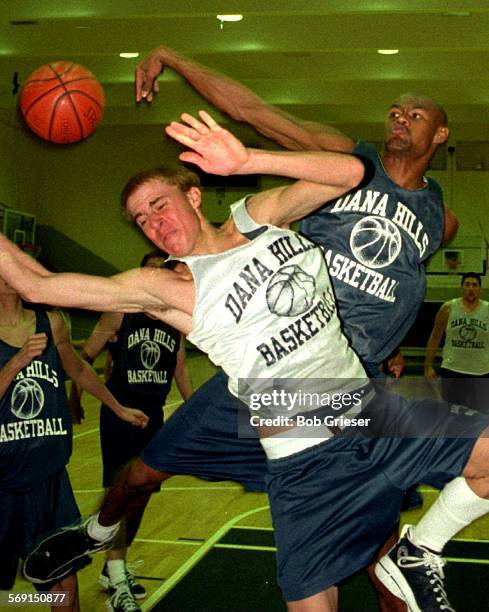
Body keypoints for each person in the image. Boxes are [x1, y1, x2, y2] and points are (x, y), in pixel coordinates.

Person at [1, 113, 488, 612]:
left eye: (158, 206)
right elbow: (38, 285)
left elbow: (353, 173)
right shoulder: (164, 288)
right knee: (145, 474)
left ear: (193, 196)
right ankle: (99, 532)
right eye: (141, 220)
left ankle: (419, 550)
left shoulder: (255, 218)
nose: (153, 223)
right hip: (303, 461)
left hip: (369, 414)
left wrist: (248, 160)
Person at [133, 47, 459, 610]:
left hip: (361, 383)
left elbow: (401, 278)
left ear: (440, 134)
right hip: (280, 366)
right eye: (394, 111)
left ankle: (393, 575)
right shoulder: (348, 158)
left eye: (415, 115)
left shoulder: (438, 214)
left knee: (377, 521)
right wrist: (172, 58)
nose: (399, 119)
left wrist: (392, 343)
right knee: (146, 468)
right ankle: (99, 534)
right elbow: (256, 112)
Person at [0, 277, 148, 612]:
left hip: (50, 478)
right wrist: (14, 364)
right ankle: (16, 602)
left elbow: (79, 369)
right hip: (4, 483)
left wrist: (118, 407)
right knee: (8, 592)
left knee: (64, 584)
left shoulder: (51, 323)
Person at [70, 249, 192, 609]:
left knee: (138, 497)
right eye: (149, 271)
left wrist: (195, 412)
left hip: (153, 417)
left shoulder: (175, 318)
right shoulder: (120, 311)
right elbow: (85, 357)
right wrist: (73, 397)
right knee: (119, 491)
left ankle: (113, 570)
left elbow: (181, 371)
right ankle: (118, 577)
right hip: (121, 414)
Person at [425, 272, 489, 413]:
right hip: (452, 370)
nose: (471, 288)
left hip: (481, 372)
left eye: (475, 285)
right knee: (451, 415)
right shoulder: (448, 308)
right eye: (467, 285)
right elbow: (435, 337)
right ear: (462, 287)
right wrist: (428, 365)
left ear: (480, 288)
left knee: (481, 417)